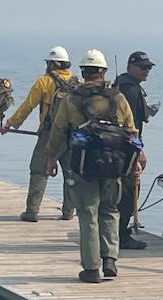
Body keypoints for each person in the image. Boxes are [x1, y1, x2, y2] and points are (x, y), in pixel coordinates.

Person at [45, 49, 138, 283]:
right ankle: (110, 260)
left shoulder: (72, 98)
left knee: (88, 213)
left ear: (83, 72)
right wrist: (134, 162)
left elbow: (58, 131)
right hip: (113, 163)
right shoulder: (118, 98)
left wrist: (51, 158)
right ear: (103, 71)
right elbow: (131, 131)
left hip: (84, 163)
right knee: (110, 210)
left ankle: (91, 268)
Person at [0, 46, 77, 222]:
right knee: (70, 173)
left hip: (49, 134)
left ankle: (32, 211)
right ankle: (68, 211)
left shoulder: (44, 82)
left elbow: (27, 106)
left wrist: (11, 124)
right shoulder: (76, 82)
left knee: (39, 171)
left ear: (52, 64)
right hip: (71, 135)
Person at [114, 51, 155, 249]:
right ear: (130, 67)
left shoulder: (121, 84)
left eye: (148, 67)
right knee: (130, 191)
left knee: (123, 190)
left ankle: (117, 231)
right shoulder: (130, 90)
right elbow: (129, 123)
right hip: (127, 147)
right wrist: (137, 151)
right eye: (143, 67)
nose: (146, 71)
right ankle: (121, 234)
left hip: (119, 146)